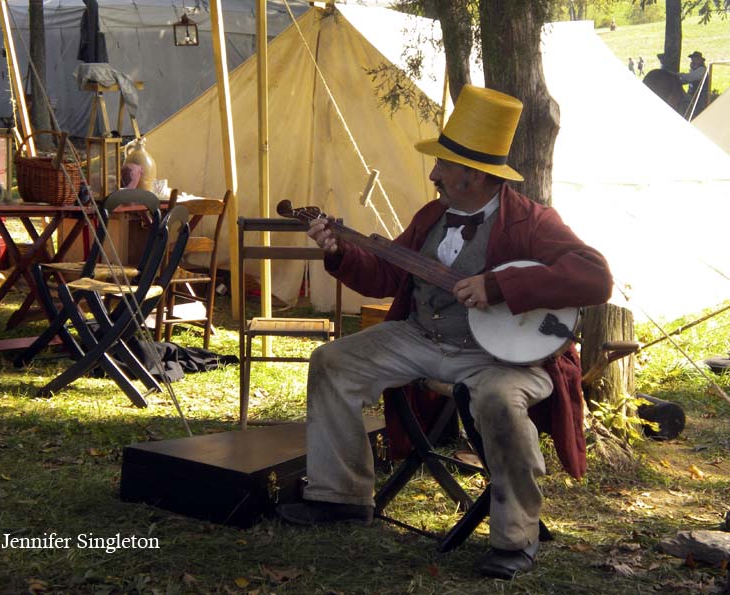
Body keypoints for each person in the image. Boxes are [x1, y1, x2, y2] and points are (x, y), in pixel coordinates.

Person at [275, 85, 613, 580]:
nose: (433, 174)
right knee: (333, 362)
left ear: (474, 174)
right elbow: (385, 276)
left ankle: (515, 538)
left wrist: (498, 286)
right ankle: (341, 496)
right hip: (420, 337)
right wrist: (339, 251)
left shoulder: (530, 222)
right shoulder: (431, 216)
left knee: (500, 402)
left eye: (443, 165)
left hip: (499, 358)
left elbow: (596, 277)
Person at [680, 50, 709, 117]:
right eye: (692, 59)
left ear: (700, 60)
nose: (692, 61)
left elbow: (690, 77)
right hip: (693, 94)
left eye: (694, 59)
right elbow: (686, 80)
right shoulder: (695, 70)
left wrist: (680, 74)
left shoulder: (702, 70)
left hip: (700, 96)